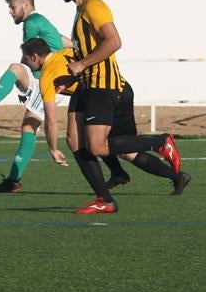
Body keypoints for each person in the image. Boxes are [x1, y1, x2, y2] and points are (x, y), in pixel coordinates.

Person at [60, 0, 183, 214]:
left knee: (98, 146)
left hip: (103, 86)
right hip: (85, 86)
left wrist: (81, 64)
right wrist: (73, 77)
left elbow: (114, 41)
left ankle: (159, 142)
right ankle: (104, 199)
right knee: (74, 140)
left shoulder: (95, 5)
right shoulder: (81, 9)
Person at [21, 38, 190, 195]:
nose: (24, 62)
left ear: (35, 57)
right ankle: (125, 174)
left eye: (25, 59)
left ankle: (160, 142)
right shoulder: (65, 53)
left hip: (112, 94)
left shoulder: (46, 77)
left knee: (121, 150)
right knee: (89, 142)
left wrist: (53, 149)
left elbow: (51, 120)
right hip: (100, 93)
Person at [0, 0, 74, 191]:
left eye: (13, 7)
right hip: (44, 79)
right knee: (27, 126)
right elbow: (59, 39)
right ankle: (14, 180)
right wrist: (76, 47)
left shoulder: (31, 23)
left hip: (47, 82)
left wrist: (24, 85)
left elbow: (29, 57)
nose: (10, 12)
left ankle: (14, 180)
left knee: (16, 71)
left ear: (25, 5)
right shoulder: (40, 21)